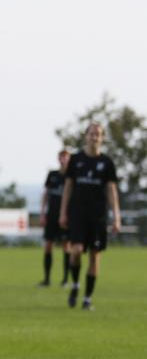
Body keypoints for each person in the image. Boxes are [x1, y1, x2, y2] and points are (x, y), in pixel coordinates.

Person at [59, 123, 120, 310]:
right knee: (76, 251)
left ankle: (87, 298)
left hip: (98, 216)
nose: (94, 137)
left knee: (94, 256)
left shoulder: (107, 163)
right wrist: (63, 212)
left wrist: (116, 216)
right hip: (78, 214)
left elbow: (111, 190)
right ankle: (75, 285)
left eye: (98, 134)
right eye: (91, 134)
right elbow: (68, 187)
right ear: (86, 136)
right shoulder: (76, 160)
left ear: (102, 138)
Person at [38, 150, 71, 287]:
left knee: (66, 246)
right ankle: (47, 280)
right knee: (48, 246)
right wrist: (42, 213)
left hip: (66, 217)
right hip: (51, 216)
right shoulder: (52, 175)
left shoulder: (71, 176)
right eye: (61, 157)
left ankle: (65, 280)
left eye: (65, 157)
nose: (63, 160)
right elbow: (46, 194)